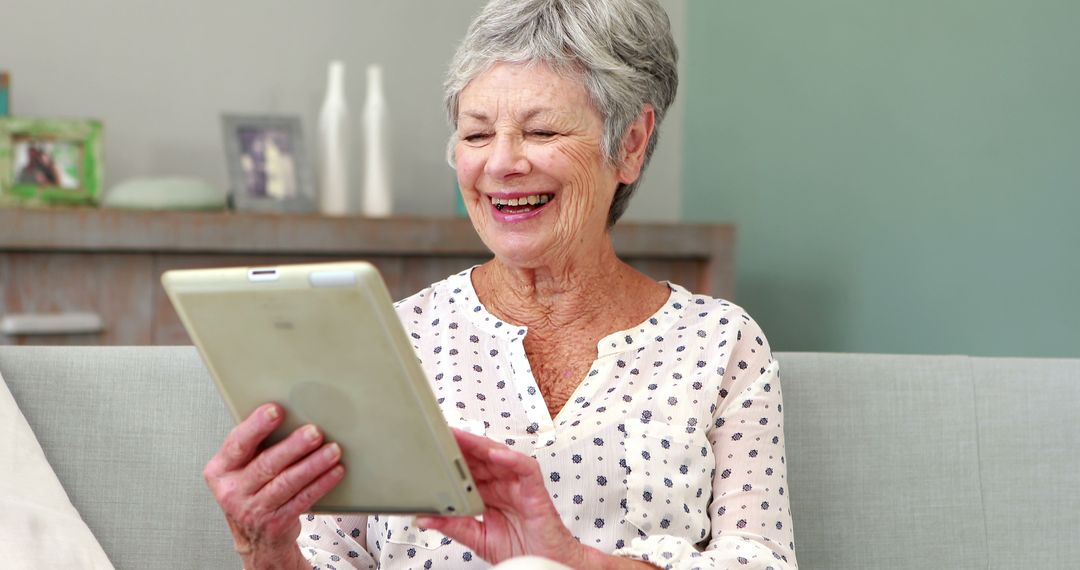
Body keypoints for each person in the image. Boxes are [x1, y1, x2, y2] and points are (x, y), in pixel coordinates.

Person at [202, 0, 798, 568]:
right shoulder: (392, 337)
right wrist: (268, 549)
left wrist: (576, 565)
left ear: (631, 144)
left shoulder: (720, 343)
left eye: (541, 133)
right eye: (478, 134)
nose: (501, 165)